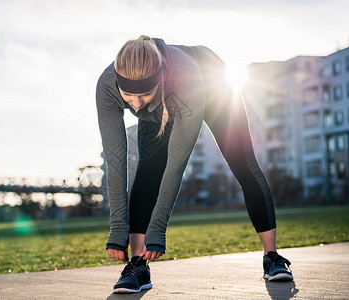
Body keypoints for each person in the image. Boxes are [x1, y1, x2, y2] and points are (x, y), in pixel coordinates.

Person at [96, 36, 293, 294]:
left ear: (160, 79)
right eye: (128, 96)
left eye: (143, 94)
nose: (135, 104)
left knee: (243, 163)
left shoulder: (186, 79)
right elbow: (116, 162)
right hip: (164, 104)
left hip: (212, 90)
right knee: (147, 172)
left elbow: (176, 166)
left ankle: (272, 257)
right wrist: (117, 230)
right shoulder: (107, 86)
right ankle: (138, 266)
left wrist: (158, 229)